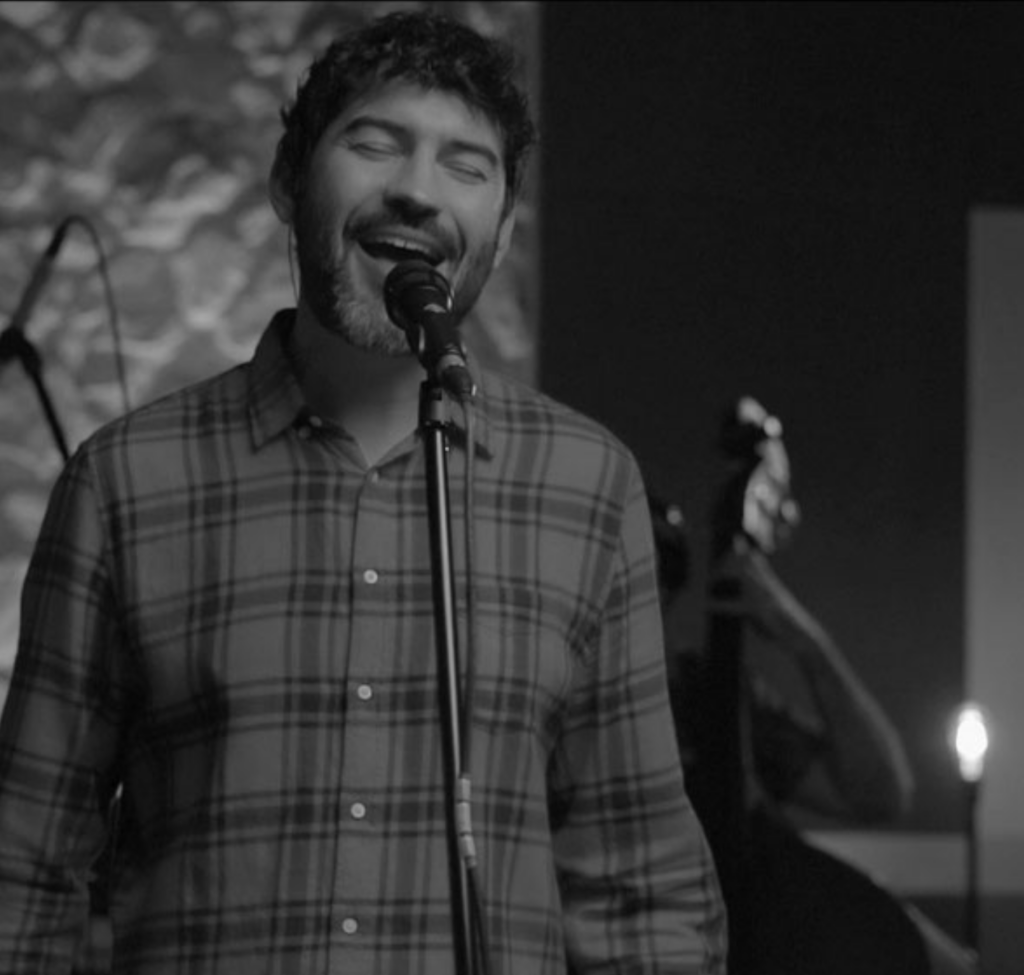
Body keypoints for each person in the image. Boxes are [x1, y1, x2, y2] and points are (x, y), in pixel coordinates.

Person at [0, 11, 725, 974]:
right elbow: (23, 865)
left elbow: (641, 895)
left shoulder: (588, 487)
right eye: (375, 143)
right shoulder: (123, 480)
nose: (417, 190)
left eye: (466, 165)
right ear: (287, 182)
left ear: (503, 230)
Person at [649, 397, 975, 975]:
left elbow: (879, 793)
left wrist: (804, 639)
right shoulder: (570, 703)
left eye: (653, 579)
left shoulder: (710, 696)